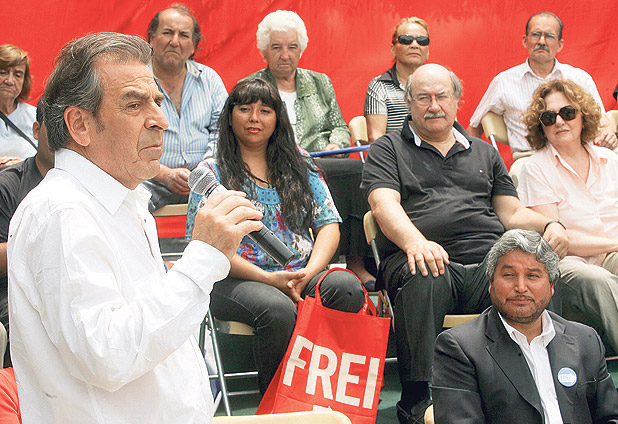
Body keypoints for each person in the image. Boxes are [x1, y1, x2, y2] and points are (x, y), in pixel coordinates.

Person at [8, 32, 262, 423]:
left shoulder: (124, 200)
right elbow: (107, 355)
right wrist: (203, 257)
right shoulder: (62, 213)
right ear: (80, 124)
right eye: (134, 104)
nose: (161, 120)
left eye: (157, 101)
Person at [360, 63, 568, 424]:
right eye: (423, 97)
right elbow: (382, 204)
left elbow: (511, 212)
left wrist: (550, 224)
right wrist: (416, 242)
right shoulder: (388, 148)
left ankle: (547, 381)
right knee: (427, 271)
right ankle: (418, 398)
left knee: (535, 272)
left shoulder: (484, 152)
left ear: (458, 100)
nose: (434, 106)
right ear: (408, 102)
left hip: (485, 262)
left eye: (442, 96)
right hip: (418, 260)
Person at [185, 78, 365, 394]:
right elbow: (206, 246)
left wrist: (308, 273)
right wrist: (268, 279)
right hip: (235, 278)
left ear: (277, 118)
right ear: (230, 116)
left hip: (301, 272)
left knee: (346, 287)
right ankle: (277, 403)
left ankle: (326, 393)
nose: (254, 118)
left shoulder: (300, 163)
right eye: (245, 109)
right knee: (277, 308)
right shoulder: (213, 174)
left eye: (265, 110)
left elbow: (328, 225)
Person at [432, 229, 618, 423]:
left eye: (532, 276)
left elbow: (610, 417)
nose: (520, 287)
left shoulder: (585, 339)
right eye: (509, 275)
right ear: (491, 282)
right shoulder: (459, 348)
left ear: (552, 285)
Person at [245, 10, 374, 284]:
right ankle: (319, 260)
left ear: (300, 50)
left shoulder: (320, 82)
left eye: (292, 47)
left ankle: (355, 261)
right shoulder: (253, 86)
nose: (285, 55)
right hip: (275, 162)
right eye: (276, 47)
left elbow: (339, 126)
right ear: (264, 51)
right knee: (315, 174)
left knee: (354, 171)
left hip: (321, 158)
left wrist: (336, 143)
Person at [517, 79, 618, 355]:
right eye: (549, 117)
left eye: (568, 112)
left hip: (611, 254)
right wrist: (614, 244)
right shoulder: (535, 168)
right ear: (541, 126)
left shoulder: (610, 160)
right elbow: (558, 241)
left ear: (583, 115)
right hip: (571, 262)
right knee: (599, 280)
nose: (560, 121)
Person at [468, 11, 617, 182]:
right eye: (536, 34)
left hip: (578, 155)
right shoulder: (503, 82)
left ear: (560, 44)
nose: (542, 41)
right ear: (525, 40)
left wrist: (607, 134)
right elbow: (474, 127)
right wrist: (475, 167)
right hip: (530, 159)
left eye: (549, 36)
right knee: (523, 174)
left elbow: (601, 119)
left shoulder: (579, 78)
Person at [141, 4, 228, 212]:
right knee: (129, 204)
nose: (174, 41)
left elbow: (223, 132)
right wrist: (164, 174)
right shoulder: (135, 80)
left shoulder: (209, 79)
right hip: (151, 178)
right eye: (167, 33)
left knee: (240, 203)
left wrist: (203, 172)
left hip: (207, 178)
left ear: (193, 46)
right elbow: (124, 139)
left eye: (184, 35)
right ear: (152, 39)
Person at [0, 98, 54, 335]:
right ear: (36, 130)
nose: (63, 138)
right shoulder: (9, 186)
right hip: (15, 293)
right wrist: (47, 243)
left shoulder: (91, 183)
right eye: (54, 128)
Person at [364, 17, 430, 142]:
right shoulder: (379, 86)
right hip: (395, 153)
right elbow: (376, 139)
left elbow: (451, 130)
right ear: (393, 49)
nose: (414, 45)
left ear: (427, 51)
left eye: (422, 41)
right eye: (406, 40)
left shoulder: (439, 84)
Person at [0, 44, 36, 167]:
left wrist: (22, 166)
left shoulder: (35, 116)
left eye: (18, 75)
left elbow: (49, 158)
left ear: (24, 81)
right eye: (3, 72)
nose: (9, 81)